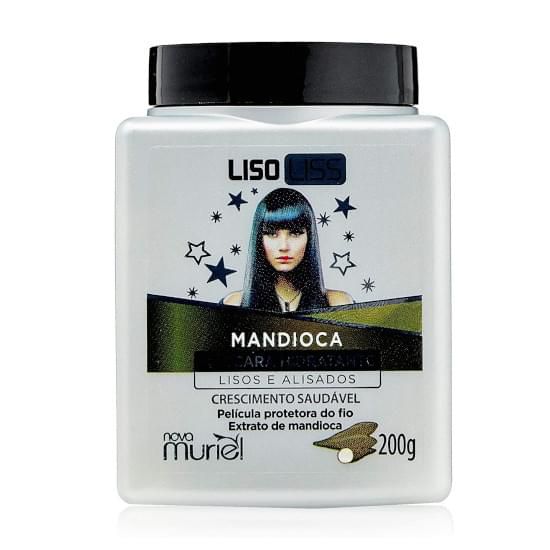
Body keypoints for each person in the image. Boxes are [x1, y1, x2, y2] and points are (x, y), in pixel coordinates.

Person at [223, 188, 353, 312]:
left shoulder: (339, 303)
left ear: (309, 238)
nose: (284, 247)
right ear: (258, 239)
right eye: (272, 234)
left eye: (295, 233)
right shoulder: (234, 304)